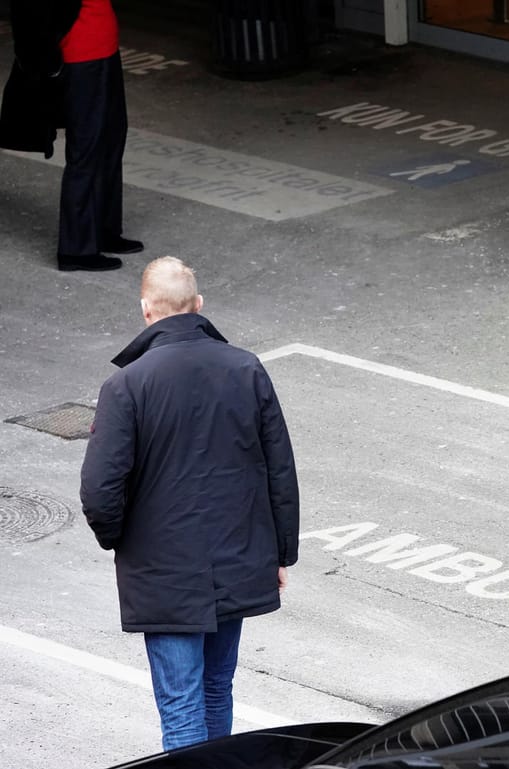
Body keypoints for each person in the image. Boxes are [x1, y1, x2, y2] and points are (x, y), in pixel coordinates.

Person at [80, 256, 299, 750]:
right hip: (239, 557)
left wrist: (121, 541)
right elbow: (279, 469)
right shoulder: (246, 367)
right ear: (198, 305)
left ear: (146, 310)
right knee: (217, 690)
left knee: (181, 706)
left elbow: (100, 489)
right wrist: (280, 554)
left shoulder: (126, 385)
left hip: (163, 570)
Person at [1, 0, 142, 271]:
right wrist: (47, 64)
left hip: (104, 49)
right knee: (86, 149)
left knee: (111, 140)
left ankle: (104, 231)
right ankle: (76, 249)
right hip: (81, 56)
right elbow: (30, 12)